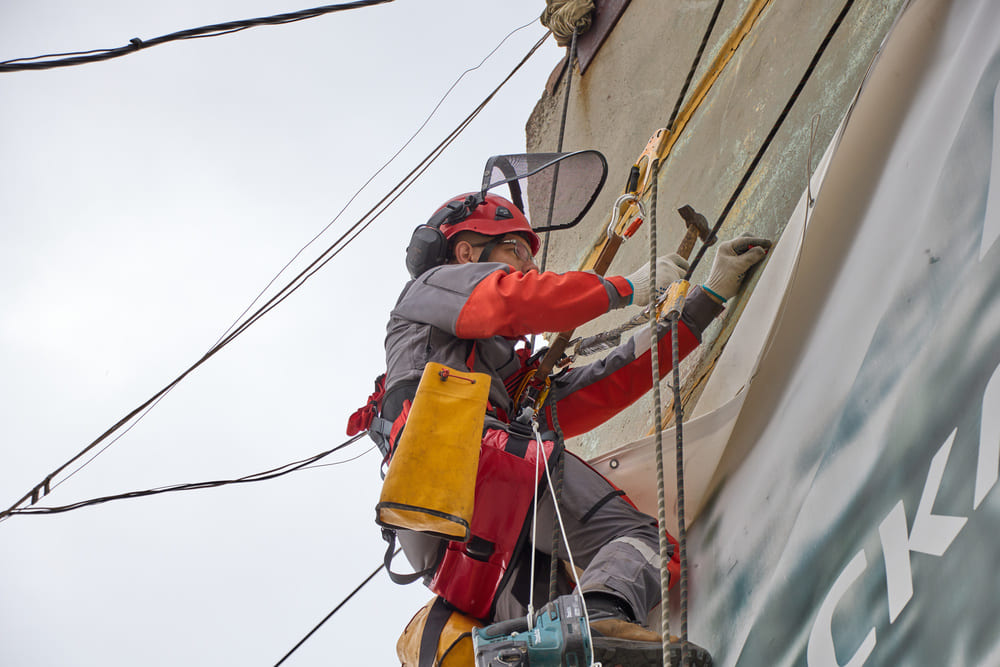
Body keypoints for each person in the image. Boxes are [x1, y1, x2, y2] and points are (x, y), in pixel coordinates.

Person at [360, 192, 769, 664]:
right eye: (514, 249)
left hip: (439, 541)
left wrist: (706, 300)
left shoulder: (485, 375)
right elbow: (509, 300)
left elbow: (597, 388)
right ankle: (599, 619)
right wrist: (621, 289)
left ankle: (570, 634)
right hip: (469, 459)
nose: (528, 268)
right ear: (466, 252)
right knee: (637, 543)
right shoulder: (429, 289)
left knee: (550, 631)